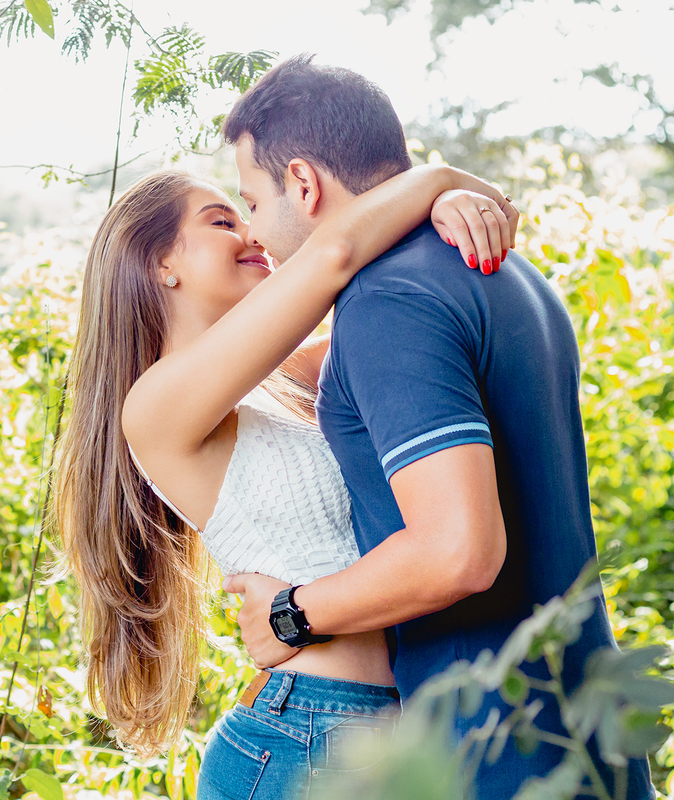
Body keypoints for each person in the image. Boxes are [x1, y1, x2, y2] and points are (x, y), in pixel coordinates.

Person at [220, 55, 655, 799]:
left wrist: (291, 616)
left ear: (303, 182)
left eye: (250, 201)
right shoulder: (509, 275)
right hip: (590, 739)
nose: (254, 230)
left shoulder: (388, 302)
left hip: (492, 753)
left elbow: (459, 551)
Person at [50, 152, 517, 795]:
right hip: (303, 733)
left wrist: (439, 216)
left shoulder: (290, 375)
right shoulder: (153, 407)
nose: (252, 233)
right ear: (161, 263)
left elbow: (406, 305)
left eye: (247, 215)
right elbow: (336, 255)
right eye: (221, 221)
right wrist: (439, 180)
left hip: (393, 728)